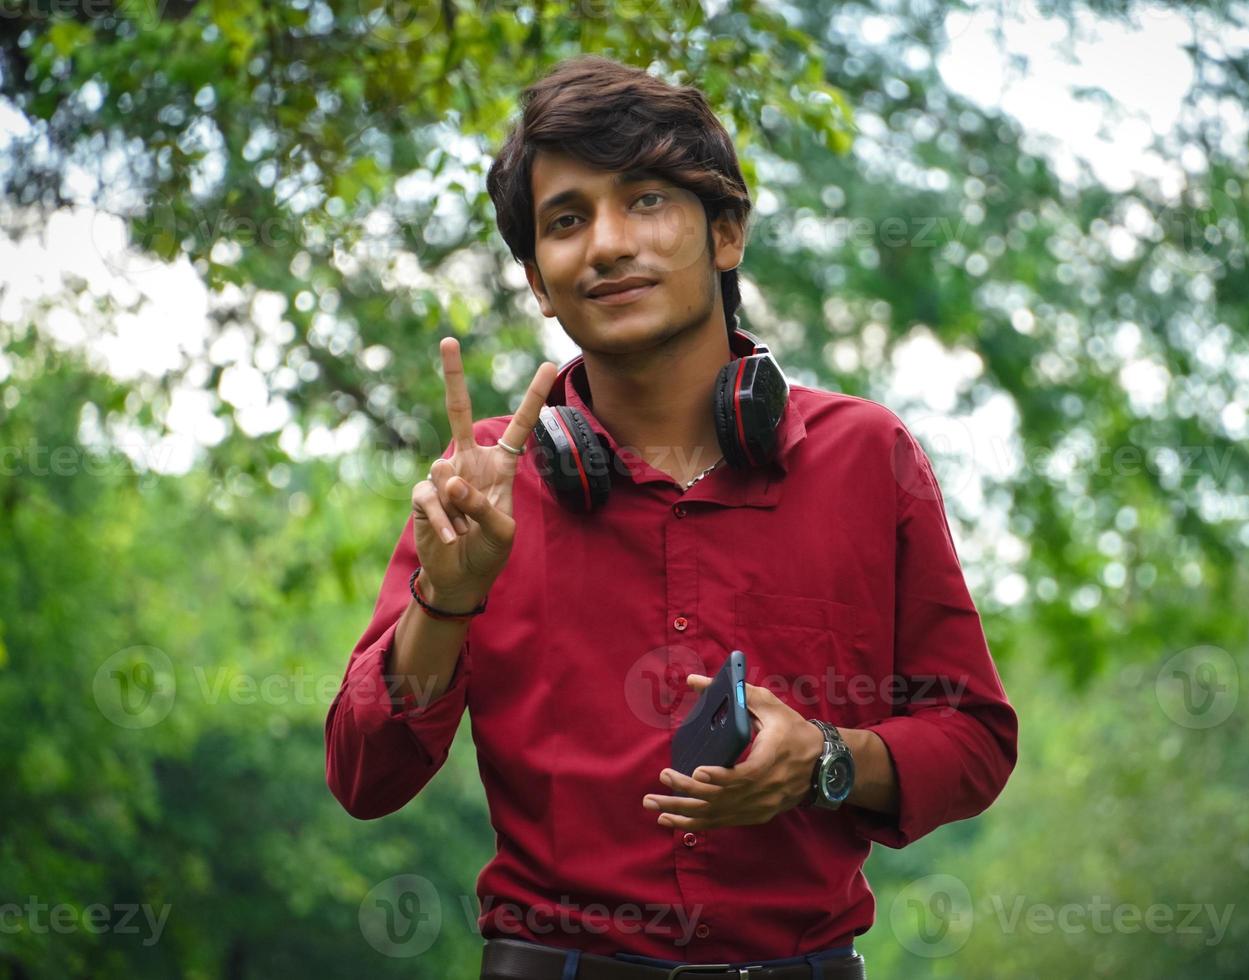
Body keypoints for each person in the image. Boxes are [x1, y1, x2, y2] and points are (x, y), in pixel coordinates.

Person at [324, 54, 1018, 980]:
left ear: (725, 233)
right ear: (538, 280)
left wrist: (824, 759)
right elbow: (365, 778)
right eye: (567, 221)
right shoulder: (480, 486)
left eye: (646, 201)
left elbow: (973, 738)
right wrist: (441, 603)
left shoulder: (868, 456)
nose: (607, 244)